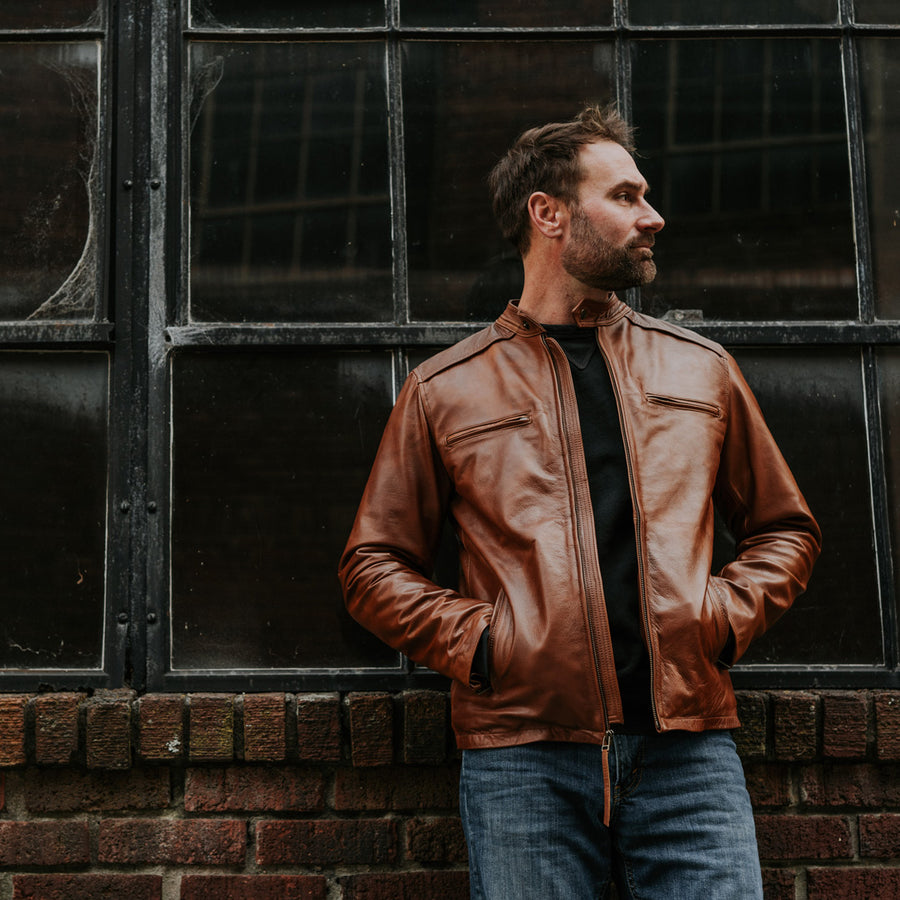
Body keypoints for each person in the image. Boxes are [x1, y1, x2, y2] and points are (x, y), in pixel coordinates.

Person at [338, 105, 821, 900]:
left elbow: (784, 528)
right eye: (627, 196)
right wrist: (490, 643)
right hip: (522, 756)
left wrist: (721, 617)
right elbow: (372, 566)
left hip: (688, 754)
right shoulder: (446, 390)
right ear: (549, 213)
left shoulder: (700, 371)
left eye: (647, 196)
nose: (653, 216)